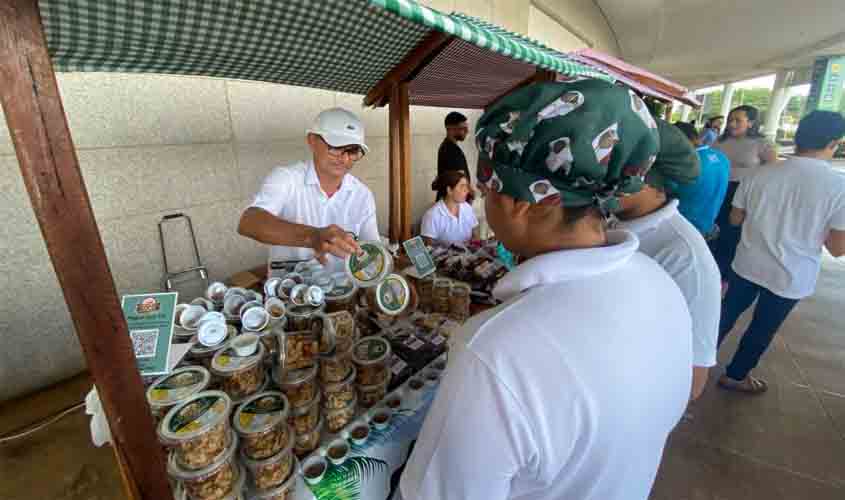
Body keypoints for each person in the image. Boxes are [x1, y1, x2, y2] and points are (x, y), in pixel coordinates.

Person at [397, 80, 692, 500]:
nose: (483, 202)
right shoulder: (660, 283)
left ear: (522, 202)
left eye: (487, 190)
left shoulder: (496, 351)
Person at [717, 111, 845, 394]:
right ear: (833, 142)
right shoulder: (839, 187)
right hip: (791, 275)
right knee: (762, 328)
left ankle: (693, 362)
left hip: (747, 263)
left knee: (725, 314)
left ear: (798, 136)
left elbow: (735, 219)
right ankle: (736, 375)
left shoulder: (758, 174)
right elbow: (837, 249)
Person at [616, 118, 721, 401]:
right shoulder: (607, 221)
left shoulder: (686, 257)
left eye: (612, 172)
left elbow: (693, 380)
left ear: (648, 179)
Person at [237, 108, 379, 274]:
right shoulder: (286, 179)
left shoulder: (362, 195)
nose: (344, 158)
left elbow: (373, 252)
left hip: (344, 288)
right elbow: (249, 222)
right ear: (312, 140)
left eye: (353, 151)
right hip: (292, 287)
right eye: (336, 147)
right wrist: (312, 237)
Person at [711, 105, 778, 286]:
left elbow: (773, 171)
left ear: (751, 123)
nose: (732, 124)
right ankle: (713, 271)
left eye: (737, 120)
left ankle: (727, 276)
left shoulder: (762, 144)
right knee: (715, 231)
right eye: (730, 120)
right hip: (718, 190)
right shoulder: (720, 141)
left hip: (744, 194)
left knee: (734, 234)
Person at [673, 121, 730, 238]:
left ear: (680, 140)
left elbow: (668, 191)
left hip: (684, 227)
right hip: (708, 225)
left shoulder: (685, 161)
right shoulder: (722, 157)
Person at [420, 170, 479, 244]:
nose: (467, 191)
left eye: (467, 186)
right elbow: (428, 247)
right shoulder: (432, 215)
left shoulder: (467, 208)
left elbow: (476, 236)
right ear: (449, 190)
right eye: (462, 187)